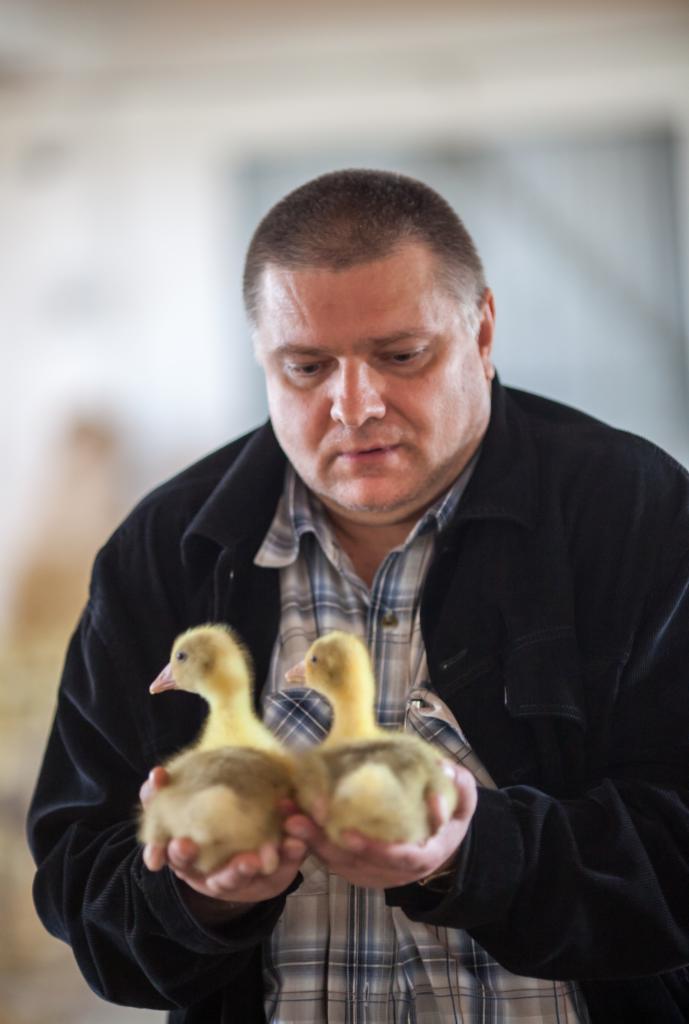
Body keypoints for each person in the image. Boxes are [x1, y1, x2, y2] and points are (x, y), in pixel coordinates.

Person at [27, 169, 689, 1023]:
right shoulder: (164, 551)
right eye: (306, 367)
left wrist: (474, 854)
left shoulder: (636, 512)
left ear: (482, 330)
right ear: (262, 360)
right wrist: (196, 895)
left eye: (401, 356)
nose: (353, 406)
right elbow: (81, 887)